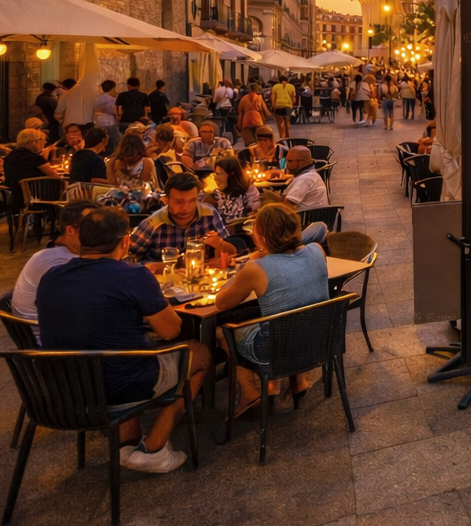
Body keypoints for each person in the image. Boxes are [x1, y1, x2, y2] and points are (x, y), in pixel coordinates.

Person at [37, 206, 211, 473]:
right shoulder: (132, 275)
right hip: (120, 385)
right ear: (125, 240)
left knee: (123, 350)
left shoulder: (50, 277)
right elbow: (170, 331)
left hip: (65, 388)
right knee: (197, 352)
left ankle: (126, 447)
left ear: (81, 239)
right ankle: (155, 448)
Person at [211, 203, 329, 416]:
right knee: (281, 312)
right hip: (320, 340)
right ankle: (297, 382)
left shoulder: (257, 268)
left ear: (260, 238)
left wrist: (251, 260)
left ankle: (249, 393)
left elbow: (221, 302)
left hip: (276, 350)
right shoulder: (317, 250)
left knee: (223, 330)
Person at [12, 200, 90, 330]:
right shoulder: (57, 263)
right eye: (91, 227)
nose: (100, 231)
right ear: (70, 230)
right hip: (50, 342)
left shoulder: (59, 252)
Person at [130, 173, 237, 264]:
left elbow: (231, 251)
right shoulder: (153, 224)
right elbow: (128, 259)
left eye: (192, 201)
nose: (186, 207)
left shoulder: (209, 215)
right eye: (178, 202)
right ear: (166, 200)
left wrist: (220, 243)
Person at [4, 127, 60, 195]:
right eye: (42, 139)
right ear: (33, 141)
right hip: (38, 197)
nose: (45, 142)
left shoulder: (10, 156)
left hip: (15, 195)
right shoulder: (34, 158)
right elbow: (55, 176)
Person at [207, 155, 261, 225]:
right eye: (215, 174)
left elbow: (255, 215)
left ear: (232, 175)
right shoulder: (216, 195)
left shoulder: (249, 191)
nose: (215, 178)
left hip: (242, 232)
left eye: (219, 174)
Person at [281, 146, 329, 211]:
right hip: (311, 217)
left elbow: (287, 206)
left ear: (302, 162)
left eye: (290, 161)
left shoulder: (305, 179)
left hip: (304, 219)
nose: (286, 165)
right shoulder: (311, 175)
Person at [93, 79, 121, 150]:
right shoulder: (111, 100)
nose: (116, 91)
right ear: (112, 88)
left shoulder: (98, 99)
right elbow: (117, 114)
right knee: (114, 145)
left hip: (98, 124)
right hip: (111, 125)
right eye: (115, 88)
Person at [269, 75, 297, 140]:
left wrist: (273, 106)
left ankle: (281, 136)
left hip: (278, 106)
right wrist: (292, 105)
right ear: (287, 80)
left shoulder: (275, 87)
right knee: (287, 121)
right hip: (288, 106)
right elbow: (293, 98)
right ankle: (287, 135)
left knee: (279, 122)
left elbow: (273, 97)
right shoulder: (291, 86)